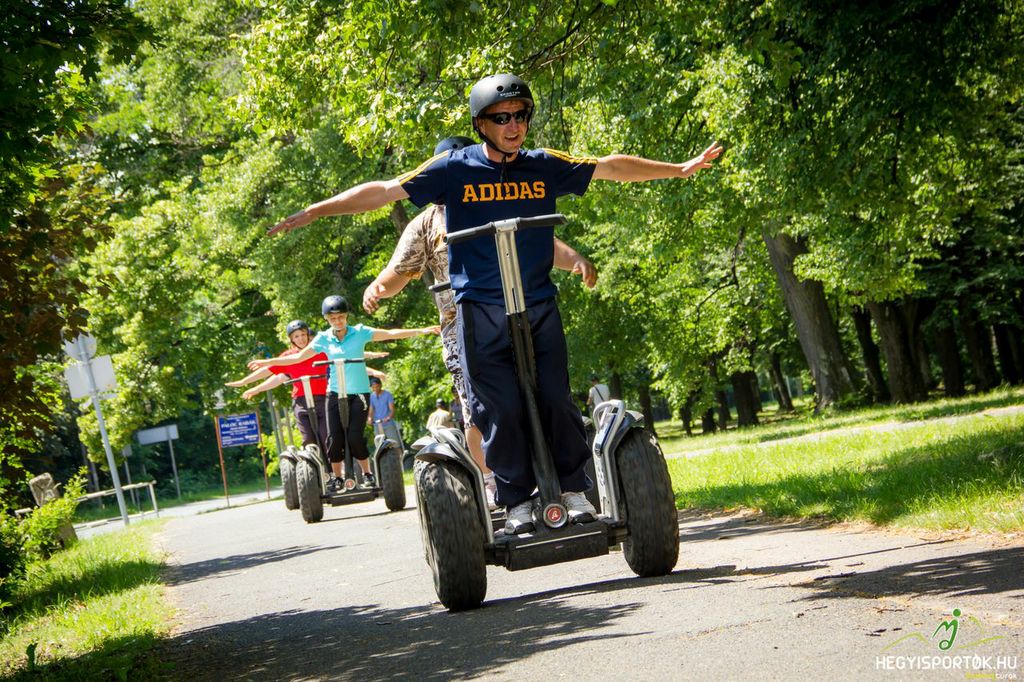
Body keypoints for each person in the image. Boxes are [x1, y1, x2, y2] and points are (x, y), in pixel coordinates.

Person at [268, 73, 722, 533]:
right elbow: (384, 191)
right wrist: (314, 211)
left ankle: (572, 490)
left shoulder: (543, 164)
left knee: (557, 400)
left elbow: (609, 166)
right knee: (496, 409)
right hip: (479, 308)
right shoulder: (453, 169)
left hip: (537, 300)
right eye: (501, 118)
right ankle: (517, 501)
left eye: (521, 115)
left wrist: (679, 168)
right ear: (481, 124)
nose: (514, 125)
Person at [362, 134, 598, 511]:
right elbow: (400, 271)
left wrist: (577, 261)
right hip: (462, 324)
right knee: (480, 407)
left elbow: (543, 241)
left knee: (547, 391)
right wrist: (377, 287)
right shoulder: (426, 224)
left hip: (520, 309)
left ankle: (565, 480)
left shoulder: (492, 199)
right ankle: (494, 482)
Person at [248, 295, 439, 491]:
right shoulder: (323, 339)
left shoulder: (360, 332)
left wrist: (421, 331)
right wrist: (268, 362)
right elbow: (297, 358)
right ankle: (337, 477)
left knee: (355, 437)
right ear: (326, 319)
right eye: (332, 318)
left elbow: (390, 333)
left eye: (341, 317)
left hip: (359, 394)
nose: (337, 321)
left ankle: (367, 473)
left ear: (347, 316)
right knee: (333, 438)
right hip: (334, 393)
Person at [367, 375, 405, 452]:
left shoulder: (387, 394)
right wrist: (369, 418)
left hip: (388, 423)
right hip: (377, 424)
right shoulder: (372, 396)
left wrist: (388, 418)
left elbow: (392, 409)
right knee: (379, 446)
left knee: (395, 443)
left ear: (380, 385)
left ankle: (400, 458)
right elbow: (371, 409)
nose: (375, 389)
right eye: (373, 387)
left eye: (377, 386)